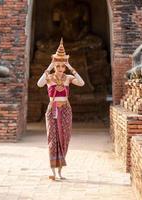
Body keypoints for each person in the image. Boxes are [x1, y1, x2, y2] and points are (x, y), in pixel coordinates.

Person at [37, 39, 85, 180]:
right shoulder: (49, 78)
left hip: (65, 110)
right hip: (52, 111)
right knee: (52, 139)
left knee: (64, 138)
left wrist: (70, 67)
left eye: (62, 66)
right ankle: (53, 171)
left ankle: (60, 171)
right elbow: (39, 84)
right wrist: (50, 65)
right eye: (57, 66)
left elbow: (81, 83)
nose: (59, 69)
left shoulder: (68, 78)